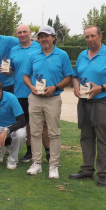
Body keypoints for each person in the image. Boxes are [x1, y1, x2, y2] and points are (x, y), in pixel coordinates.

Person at [69, 25, 106, 187]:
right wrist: (75, 86)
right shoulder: (82, 55)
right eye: (87, 37)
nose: (89, 39)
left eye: (93, 36)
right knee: (86, 137)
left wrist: (101, 88)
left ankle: (103, 173)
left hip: (102, 102)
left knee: (103, 138)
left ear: (100, 36)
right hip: (84, 102)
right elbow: (75, 76)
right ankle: (87, 170)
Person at [23, 25, 73, 179]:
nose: (43, 39)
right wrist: (31, 87)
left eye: (47, 36)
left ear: (53, 38)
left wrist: (56, 87)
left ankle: (53, 164)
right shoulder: (33, 55)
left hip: (53, 98)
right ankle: (36, 163)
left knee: (54, 133)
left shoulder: (62, 55)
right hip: (35, 98)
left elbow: (69, 77)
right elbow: (25, 75)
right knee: (35, 132)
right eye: (41, 36)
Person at [8, 24, 50, 162]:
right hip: (20, 92)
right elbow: (13, 70)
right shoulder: (13, 50)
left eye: (24, 31)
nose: (22, 34)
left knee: (43, 125)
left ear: (30, 33)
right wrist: (7, 71)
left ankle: (49, 153)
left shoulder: (39, 47)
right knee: (26, 124)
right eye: (19, 32)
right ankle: (30, 151)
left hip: (38, 92)